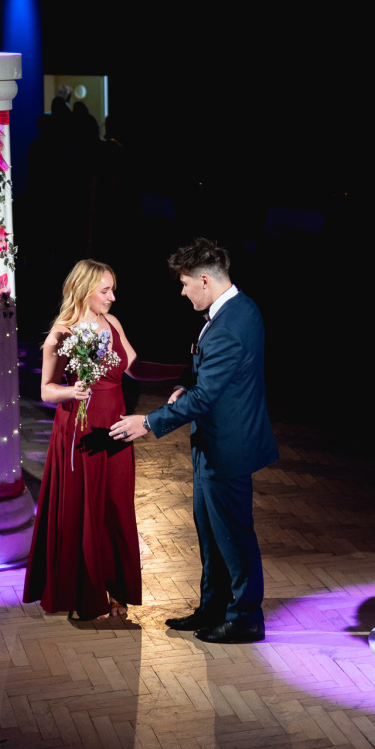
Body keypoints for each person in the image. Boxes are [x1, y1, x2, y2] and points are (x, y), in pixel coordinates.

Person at [110, 238, 278, 644]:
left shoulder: (229, 326)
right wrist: (184, 383)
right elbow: (207, 371)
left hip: (228, 448)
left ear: (205, 279)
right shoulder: (240, 308)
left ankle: (245, 618)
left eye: (185, 284)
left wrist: (147, 422)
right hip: (214, 444)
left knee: (233, 537)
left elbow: (207, 397)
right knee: (211, 533)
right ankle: (213, 608)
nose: (183, 292)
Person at [22, 259, 142, 619]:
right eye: (105, 291)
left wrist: (185, 374)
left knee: (116, 507)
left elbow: (134, 366)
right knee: (84, 509)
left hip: (116, 428)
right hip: (80, 429)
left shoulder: (112, 323)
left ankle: (118, 589)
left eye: (112, 290)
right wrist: (71, 391)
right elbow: (46, 390)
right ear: (84, 290)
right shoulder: (62, 332)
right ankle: (84, 593)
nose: (112, 297)